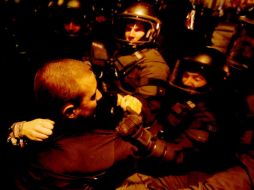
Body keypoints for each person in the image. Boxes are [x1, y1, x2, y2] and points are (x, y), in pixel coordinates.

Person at [114, 46, 242, 189]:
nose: (188, 82)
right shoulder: (181, 99)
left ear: (212, 81)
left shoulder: (211, 115)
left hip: (194, 169)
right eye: (186, 76)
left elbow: (183, 156)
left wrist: (144, 140)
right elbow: (160, 124)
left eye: (196, 78)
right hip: (165, 159)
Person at [11, 58, 146, 190]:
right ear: (70, 111)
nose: (100, 96)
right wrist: (134, 117)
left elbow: (99, 102)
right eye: (93, 96)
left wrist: (120, 100)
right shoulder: (82, 153)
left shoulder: (49, 101)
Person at [94, 1, 170, 128]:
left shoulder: (154, 65)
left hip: (130, 124)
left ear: (149, 32)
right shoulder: (124, 51)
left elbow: (146, 110)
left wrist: (115, 101)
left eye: (138, 30)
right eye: (129, 29)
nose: (131, 34)